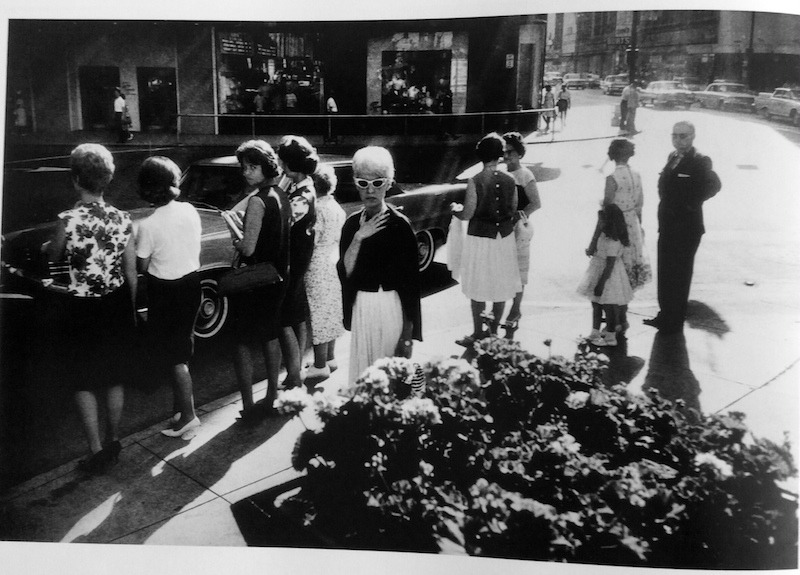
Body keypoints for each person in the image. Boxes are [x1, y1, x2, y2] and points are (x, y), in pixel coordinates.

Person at [44, 143, 137, 473]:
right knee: (113, 376)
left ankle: (95, 449)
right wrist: (133, 307)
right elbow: (129, 272)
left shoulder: (68, 220)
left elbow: (53, 256)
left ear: (75, 180)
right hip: (115, 305)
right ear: (106, 180)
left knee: (83, 379)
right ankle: (114, 440)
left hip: (80, 308)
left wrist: (52, 246)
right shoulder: (124, 220)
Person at [338, 146, 421, 383]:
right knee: (363, 377)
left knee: (391, 377)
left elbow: (412, 285)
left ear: (389, 183)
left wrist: (408, 333)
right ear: (355, 183)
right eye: (363, 183)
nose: (370, 190)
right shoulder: (352, 224)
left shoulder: (400, 226)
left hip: (390, 307)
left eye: (378, 182)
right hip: (362, 306)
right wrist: (359, 237)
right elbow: (345, 273)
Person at [135, 156, 202, 439]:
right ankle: (181, 406)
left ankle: (188, 417)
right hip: (192, 284)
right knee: (184, 346)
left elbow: (142, 266)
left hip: (166, 290)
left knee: (174, 356)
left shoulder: (149, 225)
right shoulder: (190, 210)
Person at [230, 140, 291, 422]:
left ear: (265, 166)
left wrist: (237, 240)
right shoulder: (280, 194)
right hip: (277, 275)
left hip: (255, 280)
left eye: (252, 166)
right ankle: (272, 397)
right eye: (244, 167)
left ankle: (248, 404)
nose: (246, 172)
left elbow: (249, 248)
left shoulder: (256, 201)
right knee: (270, 336)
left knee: (240, 342)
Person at [644, 121, 721, 334]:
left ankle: (675, 318)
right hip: (667, 225)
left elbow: (714, 186)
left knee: (680, 273)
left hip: (687, 228)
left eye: (683, 136)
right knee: (665, 271)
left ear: (693, 137)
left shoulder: (700, 161)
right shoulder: (672, 157)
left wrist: (690, 204)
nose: (679, 140)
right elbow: (665, 185)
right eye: (675, 136)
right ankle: (665, 314)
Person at [452, 133, 520, 345]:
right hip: (504, 238)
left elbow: (468, 213)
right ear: (500, 155)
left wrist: (456, 210)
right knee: (500, 285)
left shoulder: (476, 181)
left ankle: (477, 332)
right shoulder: (511, 179)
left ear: (480, 155)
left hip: (481, 238)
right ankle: (492, 333)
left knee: (478, 285)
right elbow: (513, 208)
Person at [276, 135, 318, 388]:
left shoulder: (300, 196)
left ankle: (293, 375)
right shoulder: (302, 186)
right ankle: (296, 370)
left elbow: (283, 223)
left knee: (283, 320)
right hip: (300, 260)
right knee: (297, 316)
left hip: (292, 262)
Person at [304, 164, 346, 380]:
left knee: (318, 313)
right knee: (331, 310)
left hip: (317, 263)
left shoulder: (317, 209)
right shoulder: (335, 206)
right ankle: (330, 357)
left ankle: (320, 364)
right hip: (333, 259)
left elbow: (313, 240)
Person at [501, 132, 542, 333]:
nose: (506, 156)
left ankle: (515, 310)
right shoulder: (502, 174)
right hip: (502, 228)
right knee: (502, 270)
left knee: (518, 272)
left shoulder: (525, 175)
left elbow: (536, 203)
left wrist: (519, 217)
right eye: (504, 152)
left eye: (510, 152)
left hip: (519, 229)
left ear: (519, 154)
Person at [578, 204, 633, 347]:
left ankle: (610, 337)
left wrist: (601, 284)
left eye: (601, 220)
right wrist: (592, 251)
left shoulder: (613, 242)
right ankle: (595, 332)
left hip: (609, 277)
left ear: (609, 222)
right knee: (595, 304)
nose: (599, 223)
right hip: (598, 270)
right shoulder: (604, 236)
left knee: (609, 307)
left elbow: (610, 266)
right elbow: (600, 251)